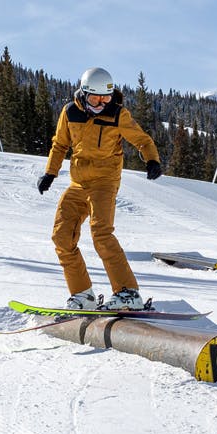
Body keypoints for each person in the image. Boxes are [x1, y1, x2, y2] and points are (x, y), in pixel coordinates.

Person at [38, 67, 162, 310]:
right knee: (62, 237)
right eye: (95, 98)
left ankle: (127, 292)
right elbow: (60, 143)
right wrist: (50, 173)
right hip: (78, 183)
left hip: (105, 181)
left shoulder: (118, 114)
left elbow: (142, 140)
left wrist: (152, 160)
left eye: (106, 97)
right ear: (84, 94)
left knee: (101, 234)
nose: (101, 103)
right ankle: (83, 295)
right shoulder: (70, 112)